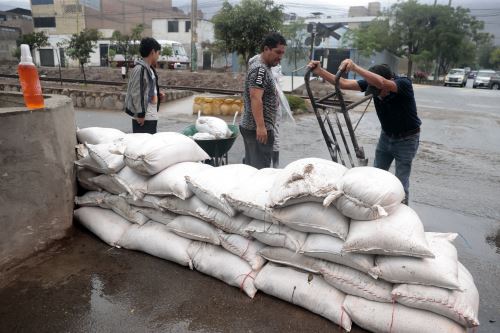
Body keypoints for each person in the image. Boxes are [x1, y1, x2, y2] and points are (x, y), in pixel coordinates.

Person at [309, 59, 421, 204]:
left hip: (407, 139)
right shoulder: (373, 84)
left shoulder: (403, 84)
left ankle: (402, 214)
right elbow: (343, 83)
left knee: (401, 182)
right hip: (386, 136)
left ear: (391, 80)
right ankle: (377, 206)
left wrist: (355, 67)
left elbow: (381, 83)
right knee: (376, 176)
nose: (378, 95)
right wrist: (320, 71)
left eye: (379, 91)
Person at [240, 32, 286, 169]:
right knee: (259, 171)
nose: (280, 57)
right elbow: (255, 98)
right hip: (258, 131)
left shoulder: (260, 63)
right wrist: (261, 127)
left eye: (282, 53)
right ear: (266, 49)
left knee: (252, 167)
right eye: (278, 52)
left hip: (255, 128)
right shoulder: (260, 69)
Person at [124, 37, 162, 134]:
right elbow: (137, 92)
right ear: (153, 52)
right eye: (158, 53)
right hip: (144, 119)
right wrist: (141, 114)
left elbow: (146, 89)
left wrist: (157, 95)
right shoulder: (141, 69)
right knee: (144, 147)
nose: (158, 56)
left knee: (149, 146)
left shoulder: (148, 69)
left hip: (150, 116)